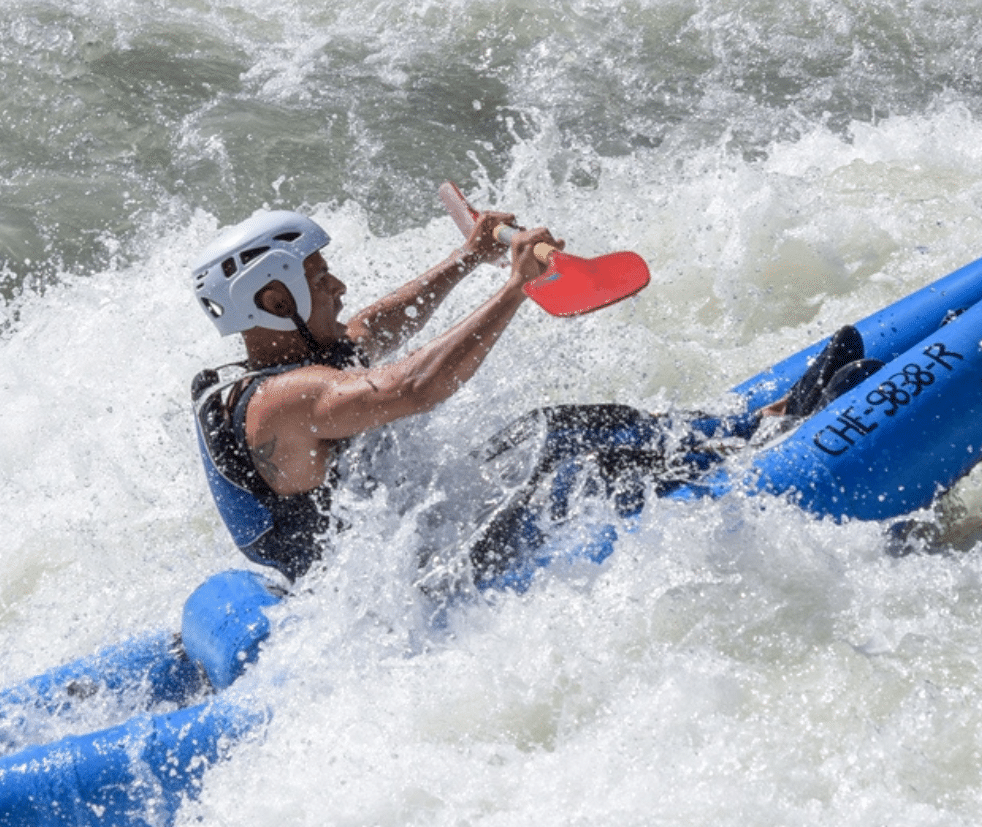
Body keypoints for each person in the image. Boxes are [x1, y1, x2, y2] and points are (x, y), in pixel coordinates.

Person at [191, 209, 880, 586]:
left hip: (412, 541)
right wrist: (514, 288)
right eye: (320, 275)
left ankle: (763, 421)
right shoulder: (279, 402)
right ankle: (773, 447)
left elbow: (377, 327)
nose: (338, 286)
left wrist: (468, 258)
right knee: (582, 473)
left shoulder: (300, 354)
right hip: (400, 589)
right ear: (275, 297)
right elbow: (408, 387)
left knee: (557, 425)